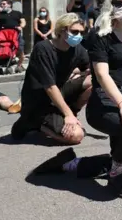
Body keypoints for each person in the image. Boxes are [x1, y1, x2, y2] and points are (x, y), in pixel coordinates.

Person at [30, 0, 122, 199]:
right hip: (104, 99)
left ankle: (70, 164)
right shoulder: (101, 34)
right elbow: (102, 74)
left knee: (121, 144)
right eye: (118, 2)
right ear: (111, 5)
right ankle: (118, 175)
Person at [11, 13, 92, 144]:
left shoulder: (77, 49)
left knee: (94, 81)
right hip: (39, 101)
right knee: (77, 136)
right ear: (62, 30)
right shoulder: (43, 48)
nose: (78, 36)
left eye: (82, 33)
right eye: (75, 31)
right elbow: (49, 86)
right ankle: (32, 121)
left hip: (59, 93)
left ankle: (70, 114)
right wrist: (68, 114)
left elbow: (89, 68)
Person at [0, 0, 26, 72]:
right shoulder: (0, 14)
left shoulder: (17, 13)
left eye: (4, 4)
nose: (1, 5)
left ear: (9, 5)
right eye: (1, 4)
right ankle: (0, 64)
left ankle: (19, 65)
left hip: (16, 34)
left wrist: (21, 26)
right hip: (3, 36)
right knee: (0, 50)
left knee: (21, 50)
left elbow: (23, 21)